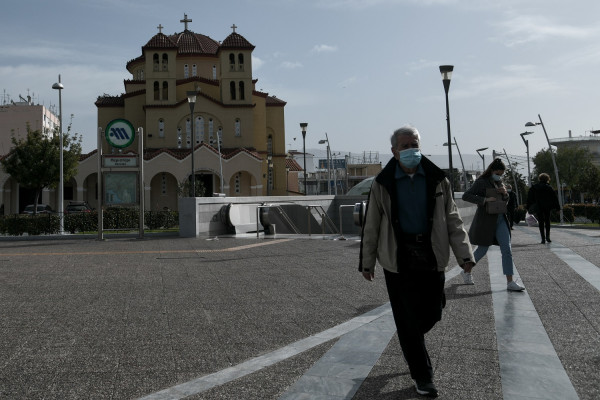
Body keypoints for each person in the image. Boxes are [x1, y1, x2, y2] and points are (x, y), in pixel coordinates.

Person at [359, 125, 474, 398]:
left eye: (415, 144)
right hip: (397, 259)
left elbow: (453, 219)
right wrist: (367, 262)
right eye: (405, 146)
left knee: (433, 311)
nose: (411, 150)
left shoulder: (437, 180)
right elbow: (372, 224)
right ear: (394, 152)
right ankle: (423, 375)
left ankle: (411, 337)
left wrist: (465, 254)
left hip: (431, 253)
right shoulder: (382, 183)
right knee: (407, 318)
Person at [462, 158, 525, 291]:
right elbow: (466, 196)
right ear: (492, 170)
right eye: (498, 173)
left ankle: (510, 282)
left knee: (506, 250)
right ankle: (466, 271)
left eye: (501, 174)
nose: (499, 176)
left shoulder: (499, 182)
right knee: (482, 249)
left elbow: (504, 200)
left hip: (501, 219)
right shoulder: (481, 182)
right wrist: (484, 200)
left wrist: (505, 194)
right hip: (486, 221)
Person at [526, 173, 560, 244]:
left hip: (538, 207)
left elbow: (529, 197)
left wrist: (529, 206)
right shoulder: (549, 187)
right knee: (547, 221)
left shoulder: (534, 187)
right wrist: (558, 208)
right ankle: (548, 237)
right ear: (547, 179)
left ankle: (543, 238)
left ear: (539, 179)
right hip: (547, 207)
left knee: (541, 222)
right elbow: (554, 198)